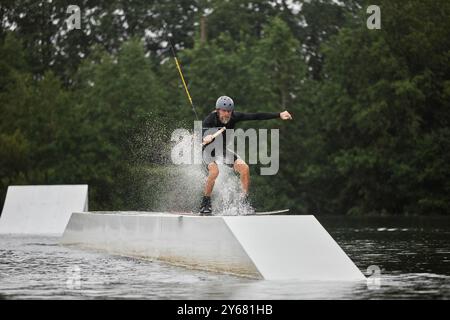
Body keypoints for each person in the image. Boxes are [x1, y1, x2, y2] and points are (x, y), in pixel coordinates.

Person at [200, 95, 292, 215]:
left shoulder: (234, 117)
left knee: (244, 168)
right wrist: (205, 136)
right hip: (208, 151)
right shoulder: (210, 119)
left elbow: (256, 116)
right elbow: (202, 133)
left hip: (221, 150)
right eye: (224, 111)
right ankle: (205, 203)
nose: (226, 114)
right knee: (214, 172)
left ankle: (243, 202)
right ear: (217, 110)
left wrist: (278, 115)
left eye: (229, 111)